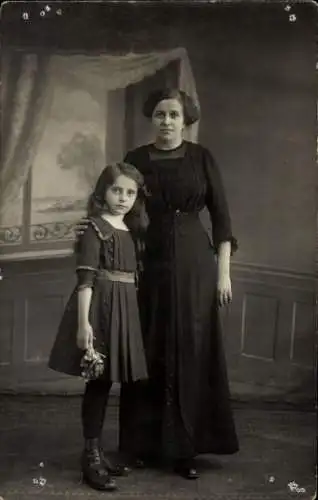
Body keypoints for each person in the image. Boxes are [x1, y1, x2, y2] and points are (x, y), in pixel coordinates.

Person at [77, 87, 239, 480]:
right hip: (145, 266)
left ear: (186, 120)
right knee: (144, 350)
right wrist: (90, 225)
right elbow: (114, 202)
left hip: (195, 266)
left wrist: (223, 274)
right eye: (160, 115)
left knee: (190, 348)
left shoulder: (202, 158)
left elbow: (222, 221)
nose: (166, 121)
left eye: (174, 115)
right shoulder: (136, 159)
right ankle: (141, 446)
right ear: (153, 119)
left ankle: (186, 449)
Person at [48, 162, 148, 492]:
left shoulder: (132, 230)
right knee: (98, 383)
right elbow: (86, 280)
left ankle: (100, 452)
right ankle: (90, 454)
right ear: (103, 191)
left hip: (124, 308)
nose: (123, 198)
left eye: (130, 193)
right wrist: (84, 324)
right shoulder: (94, 228)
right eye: (116, 190)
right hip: (100, 310)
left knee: (109, 383)